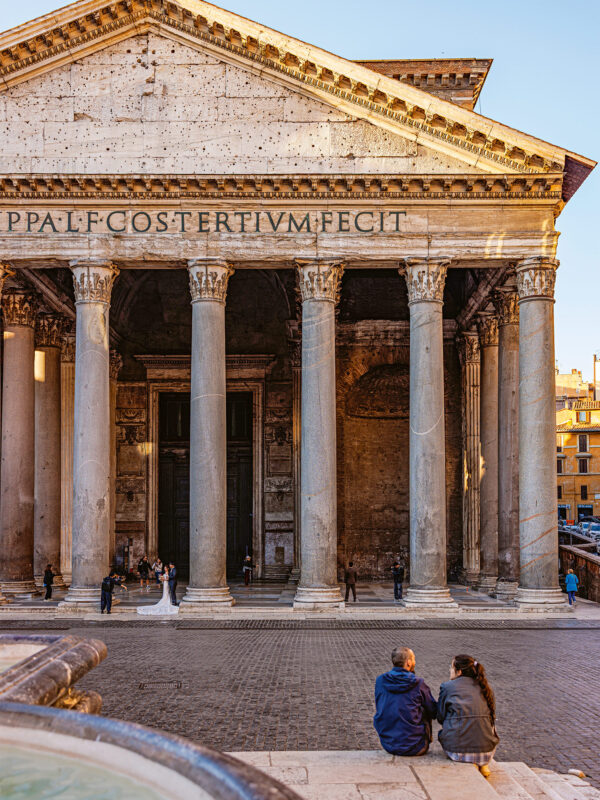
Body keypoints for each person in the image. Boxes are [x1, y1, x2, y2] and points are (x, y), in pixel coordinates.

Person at [437, 654, 499, 778]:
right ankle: (482, 764)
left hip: (457, 751)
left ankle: (471, 762)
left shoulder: (447, 687)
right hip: (486, 752)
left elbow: (440, 716)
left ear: (459, 672)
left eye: (451, 667)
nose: (450, 670)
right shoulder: (486, 687)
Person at [373, 646, 437, 756]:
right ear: (408, 662)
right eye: (413, 659)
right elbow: (433, 710)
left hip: (388, 744)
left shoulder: (380, 681)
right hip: (415, 746)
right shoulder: (418, 683)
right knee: (425, 708)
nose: (414, 662)